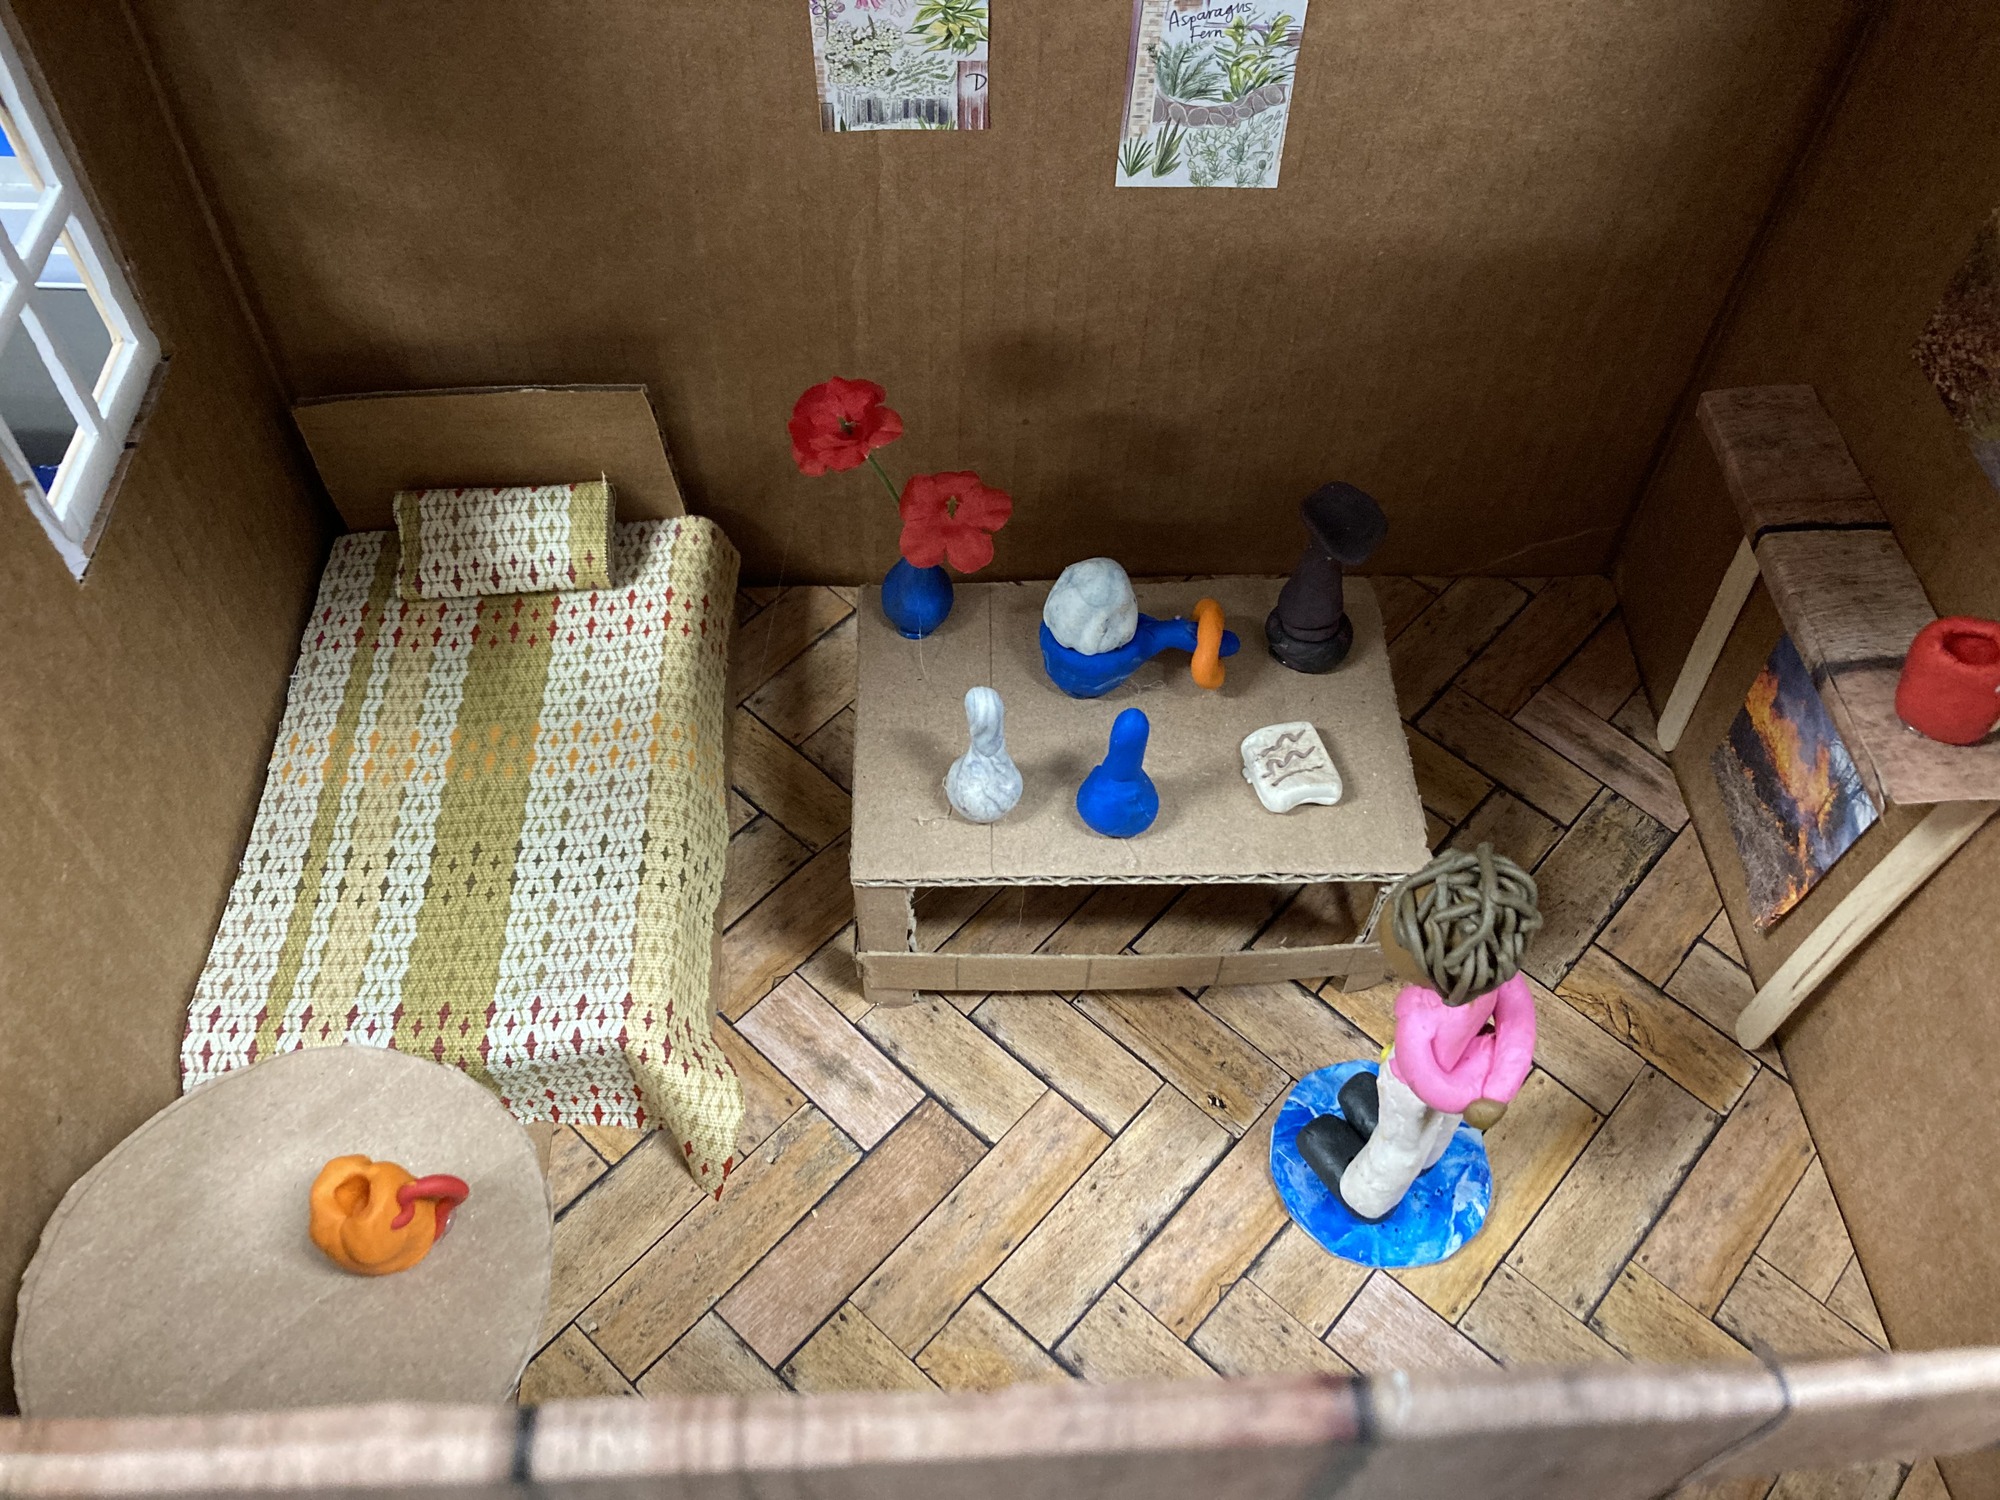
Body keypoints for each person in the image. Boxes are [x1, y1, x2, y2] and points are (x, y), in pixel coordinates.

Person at [1298, 844, 1542, 1222]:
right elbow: (1518, 1031)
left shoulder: (1421, 1019)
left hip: (1411, 1089)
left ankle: (1367, 1196)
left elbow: (1425, 1081)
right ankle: (1429, 1157)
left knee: (1400, 1143)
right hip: (1465, 1077)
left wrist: (1461, 1097)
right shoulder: (1494, 972)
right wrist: (1487, 1093)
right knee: (1441, 1124)